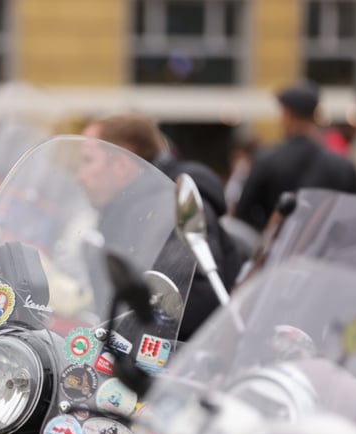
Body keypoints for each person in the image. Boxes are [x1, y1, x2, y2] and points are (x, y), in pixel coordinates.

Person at [84, 113, 243, 340]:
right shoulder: (130, 208)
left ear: (120, 164)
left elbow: (190, 298)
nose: (79, 175)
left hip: (180, 364)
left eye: (87, 160)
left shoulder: (171, 209)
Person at [236, 81, 356, 231]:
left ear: (286, 114)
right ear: (315, 114)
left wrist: (268, 232)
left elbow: (243, 213)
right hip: (330, 250)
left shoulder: (266, 161)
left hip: (279, 251)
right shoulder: (342, 166)